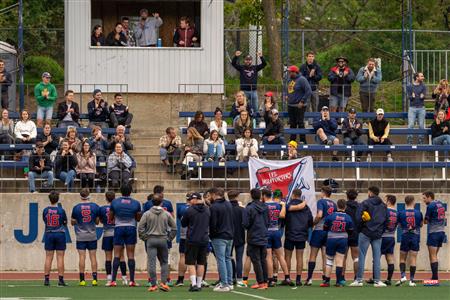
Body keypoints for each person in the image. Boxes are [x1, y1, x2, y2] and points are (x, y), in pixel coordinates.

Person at [138, 193, 177, 292]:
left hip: (150, 239)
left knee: (151, 262)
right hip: (163, 239)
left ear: (151, 202)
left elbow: (140, 228)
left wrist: (144, 238)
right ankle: (163, 283)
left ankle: (153, 284)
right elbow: (174, 228)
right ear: (162, 202)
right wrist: (169, 238)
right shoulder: (166, 214)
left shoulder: (147, 214)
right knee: (164, 262)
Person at [350, 186, 387, 287]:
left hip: (365, 232)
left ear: (370, 193)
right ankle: (377, 280)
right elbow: (385, 220)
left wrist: (361, 228)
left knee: (361, 256)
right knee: (376, 258)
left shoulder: (365, 203)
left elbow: (358, 217)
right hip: (377, 234)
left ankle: (359, 280)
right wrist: (380, 231)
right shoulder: (383, 205)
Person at [108, 184, 142, 287]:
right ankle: (132, 281)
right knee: (130, 254)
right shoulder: (136, 203)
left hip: (119, 227)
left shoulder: (115, 202)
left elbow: (110, 218)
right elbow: (138, 219)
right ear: (131, 191)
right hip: (131, 227)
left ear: (120, 191)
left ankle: (113, 281)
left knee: (117, 254)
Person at [305, 186, 336, 286]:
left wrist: (313, 223)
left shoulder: (321, 202)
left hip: (319, 230)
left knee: (313, 254)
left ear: (323, 192)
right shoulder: (334, 204)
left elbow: (319, 214)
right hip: (329, 232)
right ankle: (325, 278)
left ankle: (309, 278)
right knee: (325, 256)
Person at [280, 189, 311, 286]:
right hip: (302, 234)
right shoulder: (305, 207)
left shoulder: (288, 205)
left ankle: (287, 277)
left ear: (293, 195)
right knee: (300, 257)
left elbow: (283, 217)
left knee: (287, 257)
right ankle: (298, 279)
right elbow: (310, 220)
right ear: (300, 196)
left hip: (290, 233)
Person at [181, 192, 211, 292]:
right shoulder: (207, 209)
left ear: (194, 199)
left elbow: (183, 223)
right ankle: (198, 284)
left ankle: (194, 284)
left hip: (192, 239)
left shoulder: (189, 210)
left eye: (191, 199)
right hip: (204, 239)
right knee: (201, 263)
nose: (190, 201)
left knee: (191, 262)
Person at [320, 199, 354, 287]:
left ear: (337, 206)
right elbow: (351, 231)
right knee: (340, 261)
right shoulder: (348, 217)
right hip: (342, 240)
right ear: (345, 207)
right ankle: (338, 282)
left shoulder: (330, 216)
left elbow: (325, 228)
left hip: (331, 239)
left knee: (329, 260)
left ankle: (326, 281)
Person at [262, 189, 291, 287]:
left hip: (267, 232)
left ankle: (271, 279)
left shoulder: (263, 206)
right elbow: (282, 215)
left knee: (268, 257)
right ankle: (287, 277)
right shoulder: (278, 205)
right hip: (276, 231)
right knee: (280, 256)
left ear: (264, 196)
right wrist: (283, 205)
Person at [71, 189, 100, 286]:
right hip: (92, 235)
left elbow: (72, 222)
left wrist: (79, 221)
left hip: (81, 236)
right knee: (93, 257)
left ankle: (82, 280)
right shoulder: (95, 207)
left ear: (80, 196)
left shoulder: (76, 208)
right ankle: (95, 279)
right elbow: (97, 222)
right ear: (89, 195)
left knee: (82, 257)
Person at [99, 191, 129, 287]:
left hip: (107, 234)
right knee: (121, 256)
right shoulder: (118, 207)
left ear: (106, 198)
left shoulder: (102, 209)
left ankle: (109, 279)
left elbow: (100, 220)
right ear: (115, 198)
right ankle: (124, 278)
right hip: (117, 233)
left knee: (108, 257)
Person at [208, 188, 234, 292]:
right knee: (227, 258)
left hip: (219, 236)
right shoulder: (228, 204)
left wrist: (212, 234)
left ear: (214, 194)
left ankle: (224, 284)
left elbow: (213, 223)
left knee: (221, 259)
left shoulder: (214, 207)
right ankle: (229, 282)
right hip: (229, 235)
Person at [243, 188, 269, 290]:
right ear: (261, 195)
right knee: (263, 260)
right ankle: (265, 281)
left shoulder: (249, 208)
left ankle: (261, 282)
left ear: (251, 195)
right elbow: (268, 221)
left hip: (253, 236)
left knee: (256, 260)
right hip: (263, 235)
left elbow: (245, 223)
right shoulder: (265, 207)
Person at [396, 195, 423, 287]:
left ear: (405, 202)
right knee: (413, 258)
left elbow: (399, 225)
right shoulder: (419, 213)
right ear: (413, 202)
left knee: (402, 257)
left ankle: (403, 276)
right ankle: (411, 280)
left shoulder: (401, 213)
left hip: (405, 236)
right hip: (415, 236)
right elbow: (421, 224)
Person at [42, 191, 68, 286]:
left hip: (49, 233)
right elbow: (65, 222)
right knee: (60, 257)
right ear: (58, 199)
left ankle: (46, 279)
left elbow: (45, 220)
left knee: (48, 257)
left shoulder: (45, 210)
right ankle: (61, 280)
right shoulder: (61, 210)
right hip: (60, 233)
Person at [422, 191, 447, 285]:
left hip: (434, 233)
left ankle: (435, 280)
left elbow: (426, 221)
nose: (423, 200)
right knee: (434, 256)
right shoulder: (440, 204)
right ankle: (433, 277)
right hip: (441, 232)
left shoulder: (431, 206)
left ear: (429, 197)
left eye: (424, 198)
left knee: (432, 256)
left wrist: (422, 219)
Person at [287, 65, 312, 144]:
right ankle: (292, 140)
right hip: (290, 105)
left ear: (295, 72)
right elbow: (287, 89)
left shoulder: (302, 79)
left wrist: (302, 101)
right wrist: (286, 95)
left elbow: (308, 91)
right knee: (292, 123)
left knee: (300, 123)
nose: (289, 73)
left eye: (290, 72)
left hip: (299, 105)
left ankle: (303, 140)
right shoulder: (289, 80)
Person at [228, 190, 246, 287]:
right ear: (237, 197)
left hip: (228, 236)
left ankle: (231, 278)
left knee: (228, 258)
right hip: (240, 236)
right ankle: (239, 279)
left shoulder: (226, 209)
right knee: (239, 259)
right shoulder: (242, 210)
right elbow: (245, 223)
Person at [175, 192, 193, 287]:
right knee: (195, 258)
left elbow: (179, 219)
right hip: (194, 236)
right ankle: (194, 280)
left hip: (184, 235)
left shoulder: (181, 208)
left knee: (182, 256)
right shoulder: (197, 209)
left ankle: (180, 279)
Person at [342, 189, 360, 282]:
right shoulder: (359, 206)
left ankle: (342, 278)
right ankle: (357, 278)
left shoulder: (344, 206)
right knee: (356, 257)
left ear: (347, 196)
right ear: (356, 196)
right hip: (355, 233)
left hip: (344, 233)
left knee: (343, 257)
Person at [380, 194, 398, 285]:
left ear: (389, 201)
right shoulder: (397, 212)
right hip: (391, 237)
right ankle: (389, 279)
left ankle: (376, 278)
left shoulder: (385, 211)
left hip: (383, 237)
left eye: (385, 200)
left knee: (376, 257)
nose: (384, 202)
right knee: (390, 258)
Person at [407, 72, 427, 144]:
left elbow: (424, 95)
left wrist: (422, 96)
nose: (423, 77)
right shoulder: (409, 86)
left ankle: (421, 141)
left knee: (421, 125)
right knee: (411, 125)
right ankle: (409, 141)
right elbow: (409, 97)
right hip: (412, 108)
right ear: (417, 77)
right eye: (421, 76)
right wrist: (412, 96)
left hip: (421, 108)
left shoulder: (423, 86)